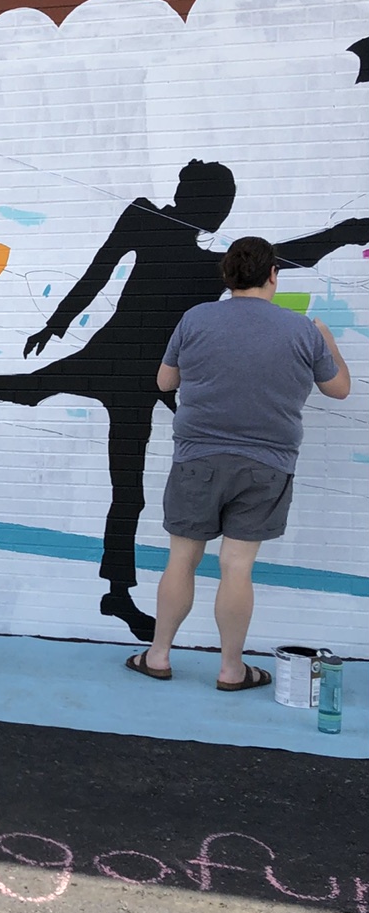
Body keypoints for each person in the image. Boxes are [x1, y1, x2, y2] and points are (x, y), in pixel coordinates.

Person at [0, 160, 369, 641]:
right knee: (39, 394)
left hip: (145, 379)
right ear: (202, 201)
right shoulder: (156, 226)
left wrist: (342, 234)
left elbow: (278, 258)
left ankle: (117, 593)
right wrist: (57, 322)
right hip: (127, 366)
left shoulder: (205, 261)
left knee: (119, 482)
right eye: (221, 204)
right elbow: (101, 270)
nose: (222, 213)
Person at [126, 236, 350, 690]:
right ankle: (232, 669)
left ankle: (158, 656)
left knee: (181, 560)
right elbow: (339, 389)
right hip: (267, 465)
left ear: (228, 277)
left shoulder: (195, 318)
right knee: (237, 566)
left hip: (197, 459)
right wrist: (327, 340)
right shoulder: (302, 330)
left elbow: (165, 382)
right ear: (273, 275)